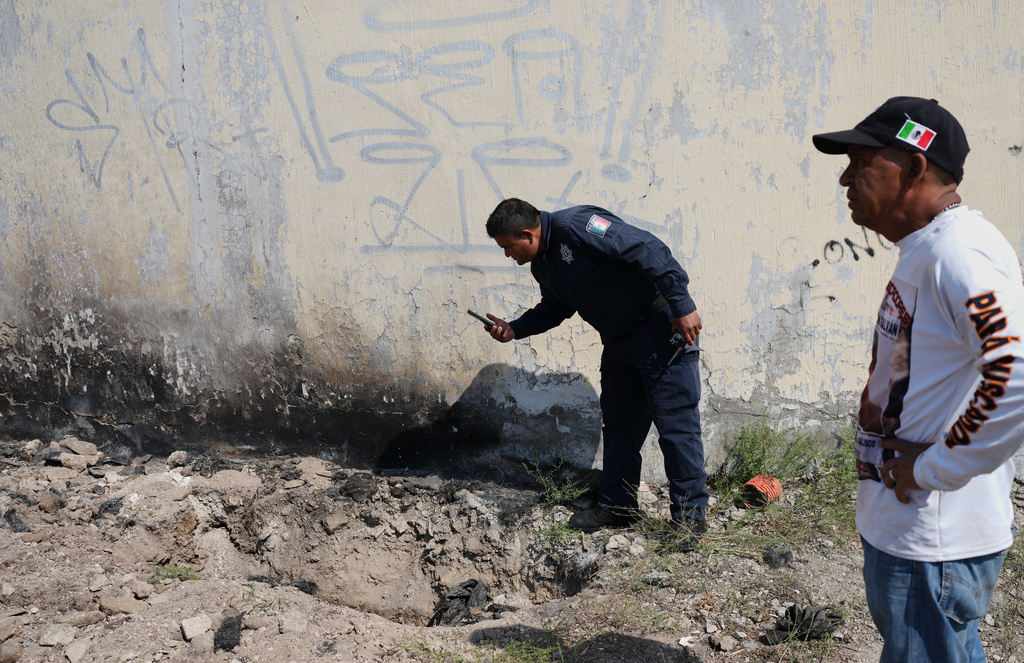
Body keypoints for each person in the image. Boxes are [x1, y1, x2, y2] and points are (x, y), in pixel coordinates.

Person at [813, 97, 1024, 662]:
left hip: (934, 541)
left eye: (860, 162)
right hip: (914, 535)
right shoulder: (927, 250)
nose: (845, 178)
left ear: (913, 166)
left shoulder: (959, 254)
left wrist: (932, 468)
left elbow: (1017, 376)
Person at [481, 198, 708, 543]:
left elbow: (647, 247)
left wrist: (683, 303)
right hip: (619, 345)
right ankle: (619, 507)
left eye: (508, 248)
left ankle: (690, 520)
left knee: (676, 426)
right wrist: (515, 328)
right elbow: (555, 308)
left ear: (526, 234)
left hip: (660, 332)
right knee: (619, 427)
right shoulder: (543, 264)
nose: (507, 256)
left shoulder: (578, 226)